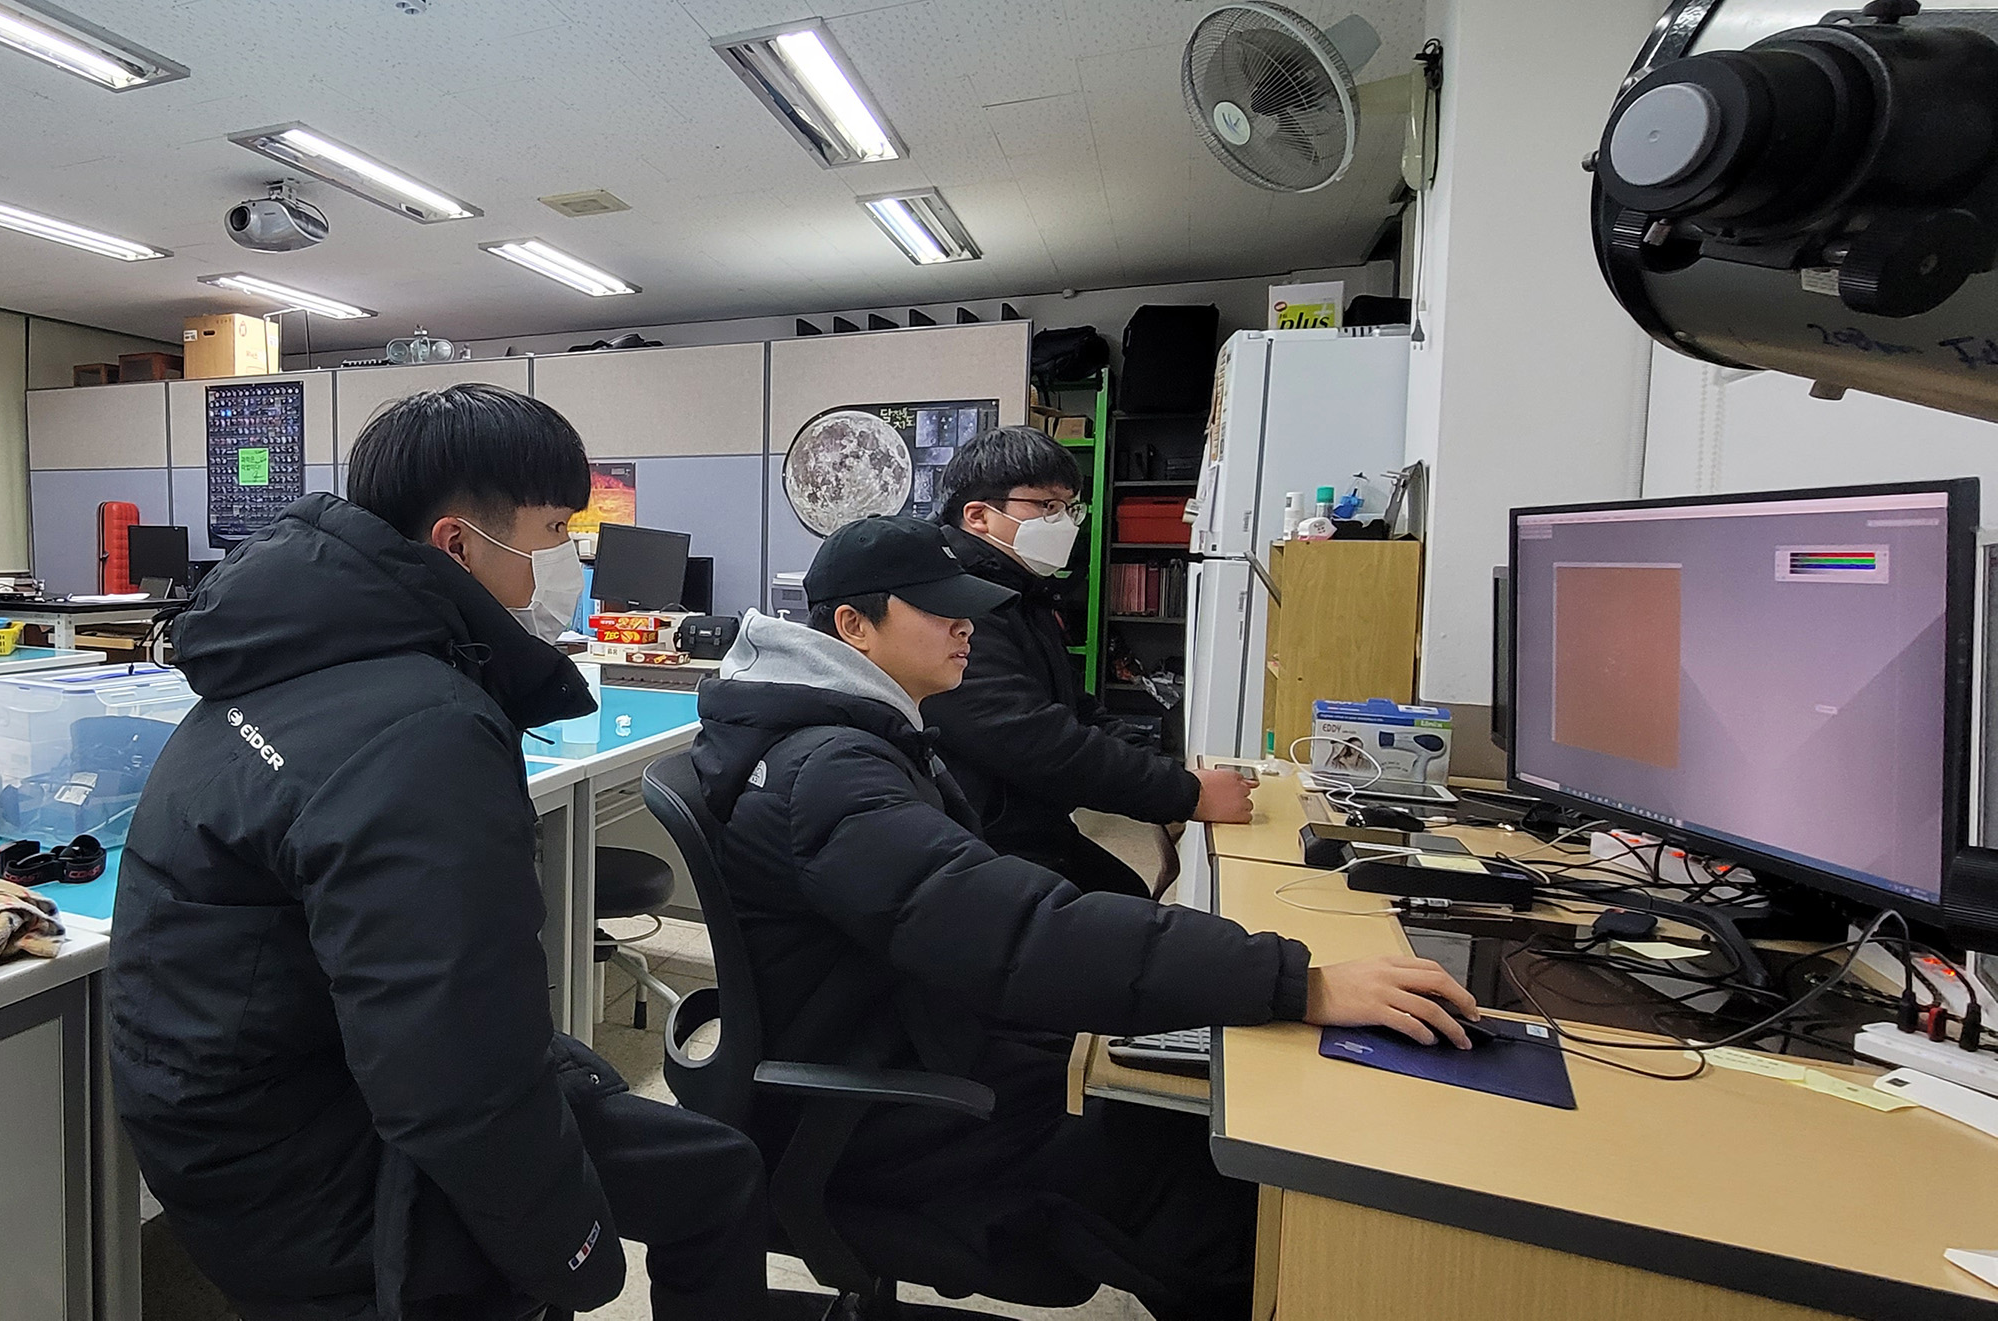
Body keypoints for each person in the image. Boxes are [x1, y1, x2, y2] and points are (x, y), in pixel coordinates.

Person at [691, 513, 1477, 1321]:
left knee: (1183, 1105)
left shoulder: (847, 736)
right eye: (939, 609)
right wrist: (1295, 981)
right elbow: (1019, 932)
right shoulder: (831, 773)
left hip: (921, 1042)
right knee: (1215, 1193)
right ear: (854, 626)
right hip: (890, 1111)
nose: (966, 626)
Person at [109, 385, 770, 1321]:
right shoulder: (423, 728)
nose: (569, 559)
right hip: (315, 1167)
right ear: (458, 544)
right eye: (555, 530)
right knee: (694, 1182)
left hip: (231, 1123)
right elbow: (452, 1074)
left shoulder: (286, 658)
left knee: (676, 1150)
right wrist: (573, 1252)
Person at [923, 427, 1257, 897]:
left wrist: (1169, 772)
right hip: (978, 837)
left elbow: (1075, 708)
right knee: (1128, 914)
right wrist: (1185, 793)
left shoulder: (1021, 591)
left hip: (1026, 820)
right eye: (1047, 506)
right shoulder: (955, 603)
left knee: (1127, 892)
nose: (1063, 522)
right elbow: (1034, 741)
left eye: (1068, 508)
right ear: (978, 515)